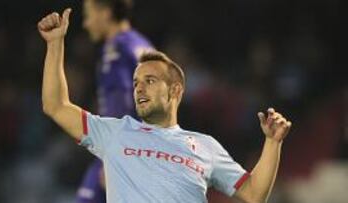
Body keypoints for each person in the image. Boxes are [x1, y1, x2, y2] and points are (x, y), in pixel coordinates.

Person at [38, 8, 292, 203]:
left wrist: (273, 143)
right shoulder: (115, 132)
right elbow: (56, 106)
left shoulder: (206, 147)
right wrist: (54, 43)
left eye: (150, 81)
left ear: (175, 90)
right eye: (136, 82)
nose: (139, 88)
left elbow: (254, 194)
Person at [78, 0, 154, 202]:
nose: (86, 23)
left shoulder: (116, 50)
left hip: (121, 154)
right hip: (145, 152)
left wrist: (114, 159)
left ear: (105, 13)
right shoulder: (141, 44)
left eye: (89, 14)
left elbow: (120, 103)